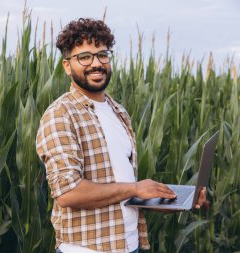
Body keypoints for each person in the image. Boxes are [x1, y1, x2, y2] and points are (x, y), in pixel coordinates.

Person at [36, 18, 207, 253]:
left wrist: (177, 200)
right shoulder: (61, 114)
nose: (96, 63)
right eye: (84, 57)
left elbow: (125, 193)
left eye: (102, 54)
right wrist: (136, 188)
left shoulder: (119, 112)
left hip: (129, 245)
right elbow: (68, 192)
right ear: (67, 66)